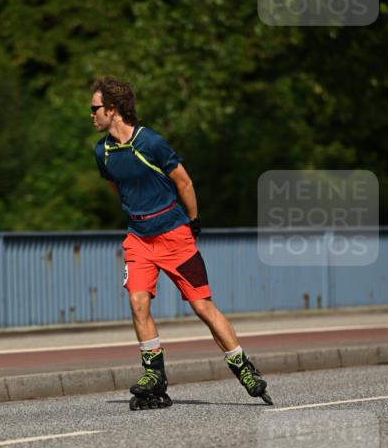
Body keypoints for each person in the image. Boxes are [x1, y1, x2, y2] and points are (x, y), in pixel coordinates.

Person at [91, 76, 272, 409]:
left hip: (175, 236)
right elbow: (118, 187)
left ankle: (242, 366)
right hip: (139, 239)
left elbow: (184, 182)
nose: (92, 114)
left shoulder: (151, 143)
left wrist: (193, 222)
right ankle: (154, 375)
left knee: (202, 306)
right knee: (137, 302)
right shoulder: (101, 152)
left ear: (113, 109)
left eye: (95, 108)